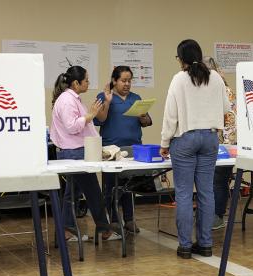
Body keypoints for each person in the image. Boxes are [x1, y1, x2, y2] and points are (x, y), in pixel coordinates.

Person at [160, 39, 230, 259]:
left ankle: (185, 246)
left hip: (185, 139)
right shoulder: (216, 77)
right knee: (206, 191)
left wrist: (164, 142)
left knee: (183, 193)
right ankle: (206, 244)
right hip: (210, 138)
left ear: (181, 59)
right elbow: (226, 109)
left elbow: (170, 115)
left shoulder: (179, 79)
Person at [50, 65, 121, 242]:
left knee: (73, 193)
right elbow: (72, 126)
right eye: (86, 80)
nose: (88, 83)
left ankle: (66, 231)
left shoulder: (73, 99)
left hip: (78, 151)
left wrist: (91, 114)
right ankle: (103, 229)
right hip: (74, 153)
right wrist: (90, 115)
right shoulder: (67, 100)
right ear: (76, 83)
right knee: (92, 191)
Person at [94, 66, 152, 233]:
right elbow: (99, 120)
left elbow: (146, 123)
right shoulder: (104, 97)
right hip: (111, 149)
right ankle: (111, 220)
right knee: (110, 186)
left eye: (129, 81)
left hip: (134, 148)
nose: (127, 84)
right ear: (114, 81)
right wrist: (107, 101)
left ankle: (129, 219)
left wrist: (143, 116)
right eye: (123, 80)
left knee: (129, 186)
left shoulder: (136, 98)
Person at [203, 56, 237, 230]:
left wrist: (225, 147)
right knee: (207, 180)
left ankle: (217, 214)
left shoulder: (225, 90)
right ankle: (208, 212)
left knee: (219, 180)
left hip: (223, 145)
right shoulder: (203, 91)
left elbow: (230, 122)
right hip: (207, 143)